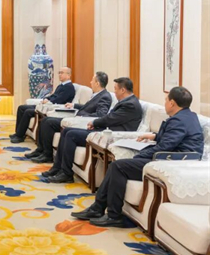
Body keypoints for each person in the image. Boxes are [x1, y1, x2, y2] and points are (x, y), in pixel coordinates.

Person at [72, 86, 204, 227]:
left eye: (166, 100)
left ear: (172, 103)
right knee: (117, 166)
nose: (164, 103)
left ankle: (112, 215)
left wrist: (139, 155)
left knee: (118, 166)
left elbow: (164, 147)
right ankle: (97, 208)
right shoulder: (189, 116)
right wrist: (154, 136)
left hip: (170, 162)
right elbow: (173, 138)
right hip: (171, 157)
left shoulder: (178, 121)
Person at [44, 77, 144, 180]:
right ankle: (57, 168)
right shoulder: (127, 101)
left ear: (123, 90)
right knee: (66, 131)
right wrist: (96, 124)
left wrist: (94, 122)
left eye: (115, 89)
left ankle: (66, 174)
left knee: (71, 135)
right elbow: (111, 118)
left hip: (110, 135)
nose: (114, 92)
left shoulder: (130, 105)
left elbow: (111, 118)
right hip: (104, 130)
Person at [28, 72, 112, 163]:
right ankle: (41, 149)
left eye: (92, 80)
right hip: (76, 119)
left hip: (81, 122)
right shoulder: (97, 94)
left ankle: (47, 154)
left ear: (97, 83)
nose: (90, 82)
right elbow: (87, 107)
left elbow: (101, 114)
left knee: (49, 123)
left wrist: (82, 116)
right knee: (45, 120)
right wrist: (74, 105)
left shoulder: (104, 96)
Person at [10, 67, 76, 143]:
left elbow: (60, 100)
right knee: (21, 108)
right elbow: (53, 95)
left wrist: (48, 101)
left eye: (62, 73)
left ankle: (20, 136)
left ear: (68, 75)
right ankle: (18, 132)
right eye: (59, 73)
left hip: (53, 108)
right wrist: (46, 98)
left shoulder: (69, 87)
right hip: (46, 105)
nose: (60, 75)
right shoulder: (61, 85)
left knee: (28, 111)